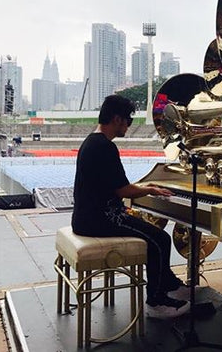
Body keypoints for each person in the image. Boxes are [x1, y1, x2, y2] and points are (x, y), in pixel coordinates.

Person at [72, 94, 190, 319]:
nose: (128, 125)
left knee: (151, 233)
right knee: (160, 239)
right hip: (100, 220)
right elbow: (123, 191)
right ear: (117, 119)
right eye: (128, 120)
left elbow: (115, 187)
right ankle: (156, 301)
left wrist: (145, 187)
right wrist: (150, 189)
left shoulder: (92, 142)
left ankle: (169, 284)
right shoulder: (105, 147)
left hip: (87, 217)